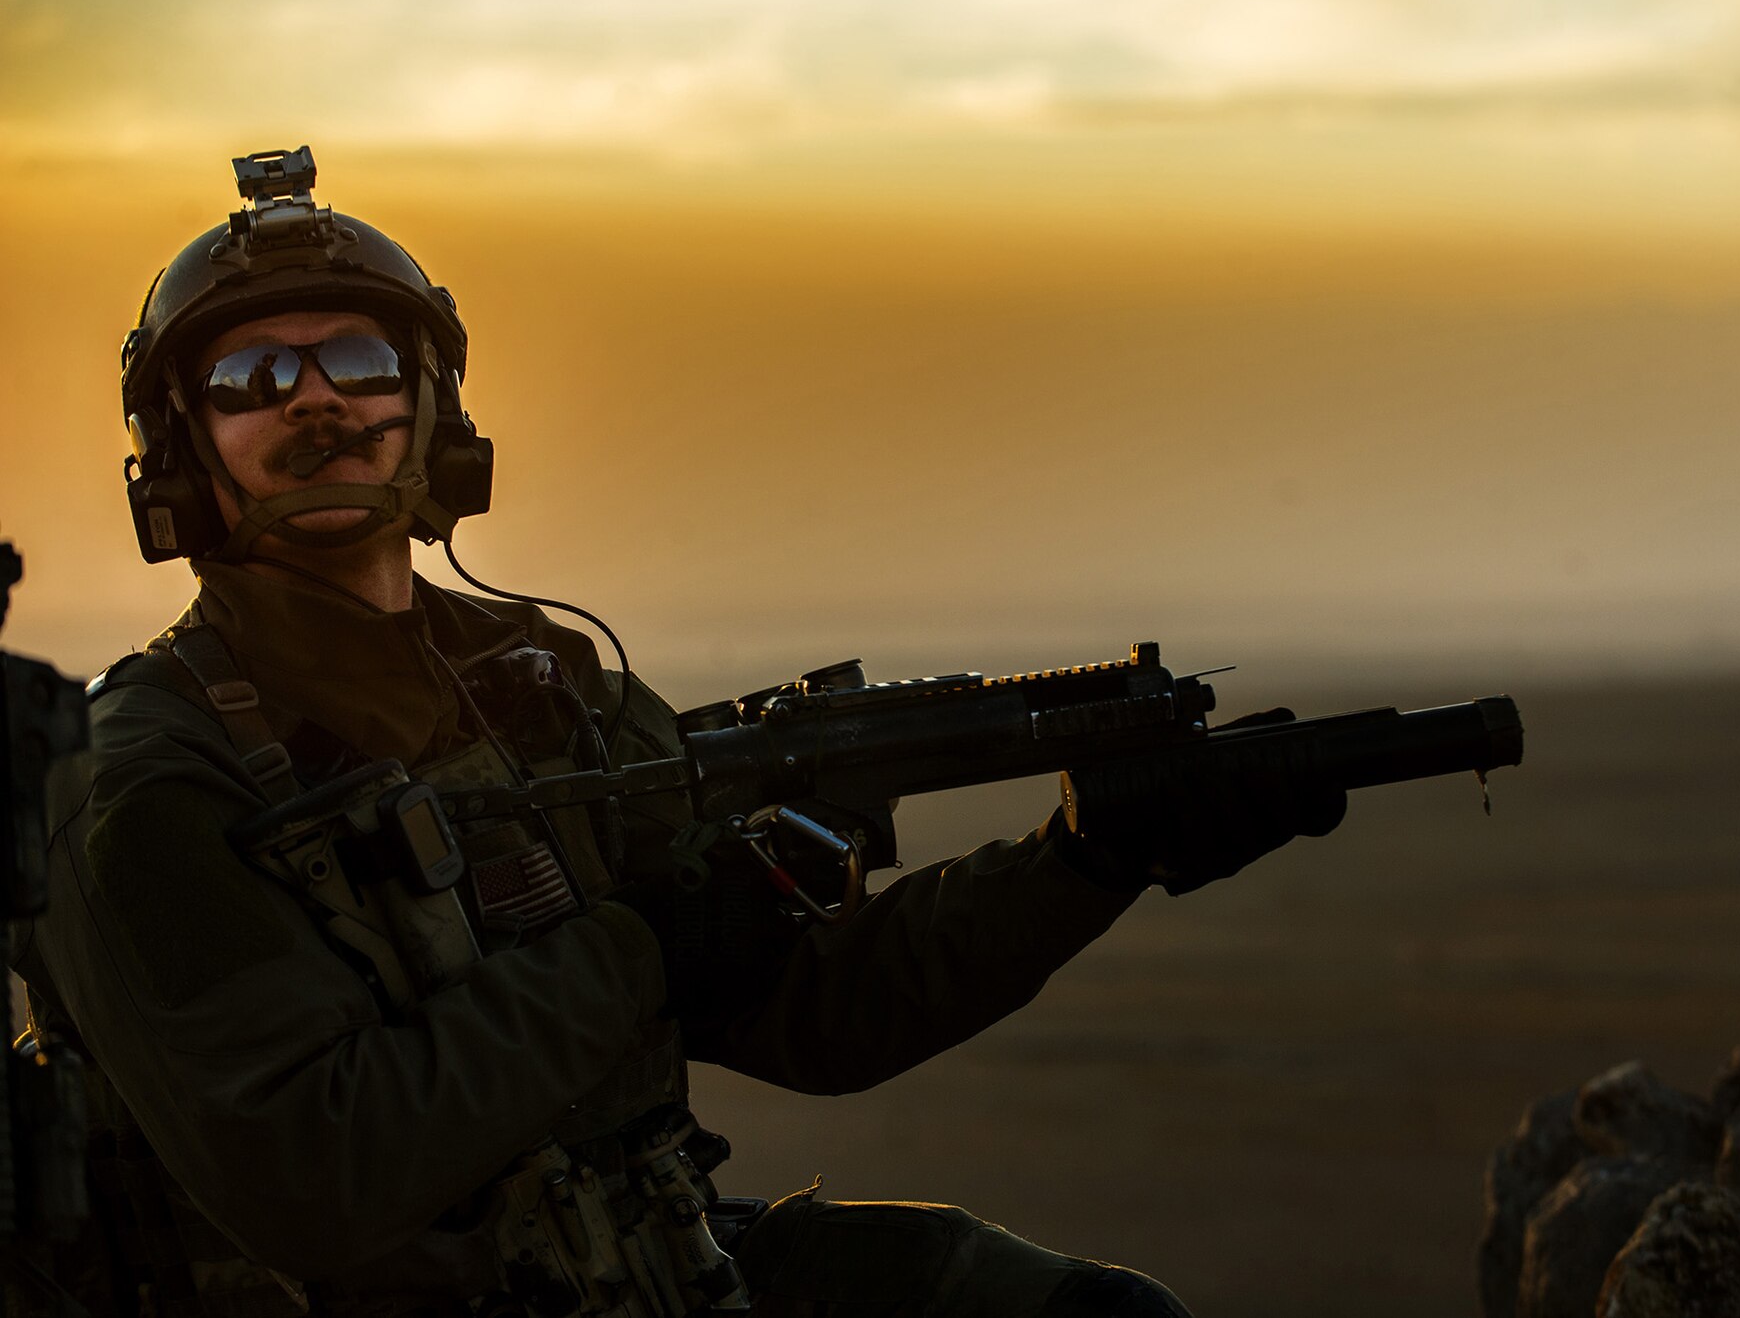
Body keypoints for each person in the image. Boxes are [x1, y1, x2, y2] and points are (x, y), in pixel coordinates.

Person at [10, 147, 1344, 1317]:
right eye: (253, 375)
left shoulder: (541, 690)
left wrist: (1085, 857)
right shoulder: (141, 782)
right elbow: (317, 1176)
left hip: (642, 1266)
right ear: (180, 446)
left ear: (428, 408)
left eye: (356, 360)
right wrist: (637, 948)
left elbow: (813, 1011)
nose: (313, 403)